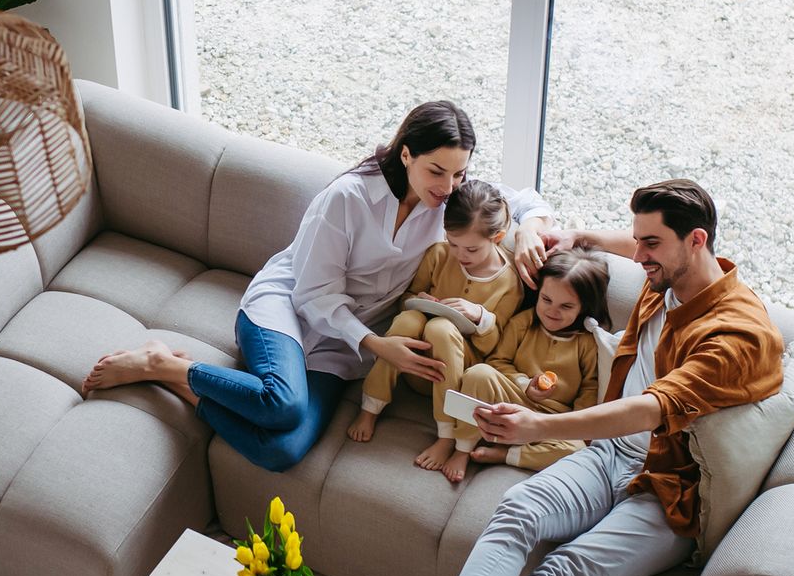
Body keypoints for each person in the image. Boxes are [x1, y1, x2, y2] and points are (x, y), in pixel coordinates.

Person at [355, 179, 784, 576]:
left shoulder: (737, 335)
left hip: (670, 490)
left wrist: (539, 425)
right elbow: (636, 246)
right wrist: (585, 237)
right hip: (610, 455)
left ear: (697, 241)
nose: (640, 256)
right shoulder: (671, 274)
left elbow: (651, 408)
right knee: (518, 509)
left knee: (569, 569)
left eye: (651, 244)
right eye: (637, 240)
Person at [80, 103, 554, 471]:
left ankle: (175, 376)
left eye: (460, 173)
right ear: (406, 153)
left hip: (345, 346)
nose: (449, 186)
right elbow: (313, 294)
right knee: (282, 403)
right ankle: (160, 361)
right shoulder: (347, 198)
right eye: (437, 171)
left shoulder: (447, 204)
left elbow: (522, 200)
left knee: (281, 450)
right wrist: (379, 346)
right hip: (288, 309)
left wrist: (531, 225)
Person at [346, 180, 524, 475]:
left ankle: (446, 436)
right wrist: (420, 300)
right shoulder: (439, 255)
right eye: (452, 243)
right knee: (408, 319)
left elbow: (495, 349)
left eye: (470, 248)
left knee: (441, 328)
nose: (459, 254)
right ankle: (370, 408)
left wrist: (480, 316)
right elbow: (405, 299)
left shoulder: (508, 283)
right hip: (415, 365)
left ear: (498, 238)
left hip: (456, 378)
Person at [447, 248, 610, 479]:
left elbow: (590, 389)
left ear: (583, 306)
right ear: (539, 293)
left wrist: (575, 425)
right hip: (513, 399)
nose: (552, 311)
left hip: (551, 421)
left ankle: (507, 455)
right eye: (546, 300)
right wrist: (525, 385)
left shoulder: (587, 343)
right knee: (479, 373)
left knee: (578, 449)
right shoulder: (523, 323)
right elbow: (497, 361)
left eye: (566, 306)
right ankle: (462, 448)